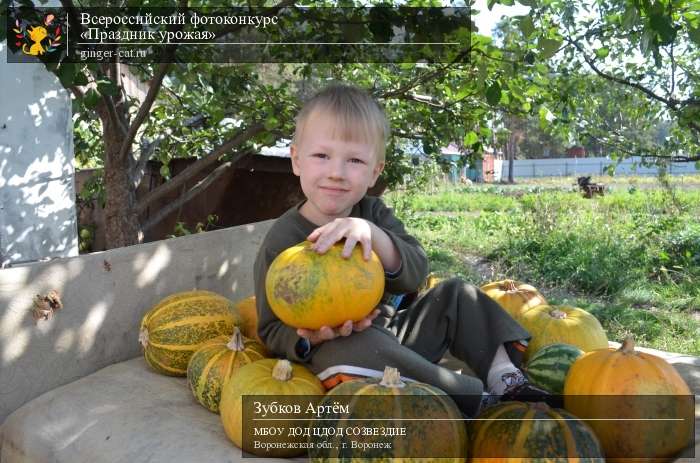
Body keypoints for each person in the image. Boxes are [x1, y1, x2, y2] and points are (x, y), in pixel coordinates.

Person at [254, 84, 553, 417]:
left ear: (374, 171)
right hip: (337, 352)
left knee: (457, 294)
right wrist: (310, 338)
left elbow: (415, 273)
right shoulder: (284, 239)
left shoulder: (374, 214)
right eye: (322, 156)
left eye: (354, 160)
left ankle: (505, 378)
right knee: (354, 349)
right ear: (296, 160)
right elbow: (269, 329)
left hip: (393, 333)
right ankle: (469, 401)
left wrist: (374, 235)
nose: (336, 172)